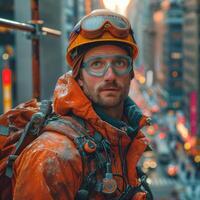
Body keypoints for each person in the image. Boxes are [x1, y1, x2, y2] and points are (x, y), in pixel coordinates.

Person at [12, 9, 152, 200]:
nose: (110, 76)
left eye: (119, 63)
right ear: (78, 77)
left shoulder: (122, 136)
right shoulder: (51, 156)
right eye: (96, 64)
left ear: (131, 73)